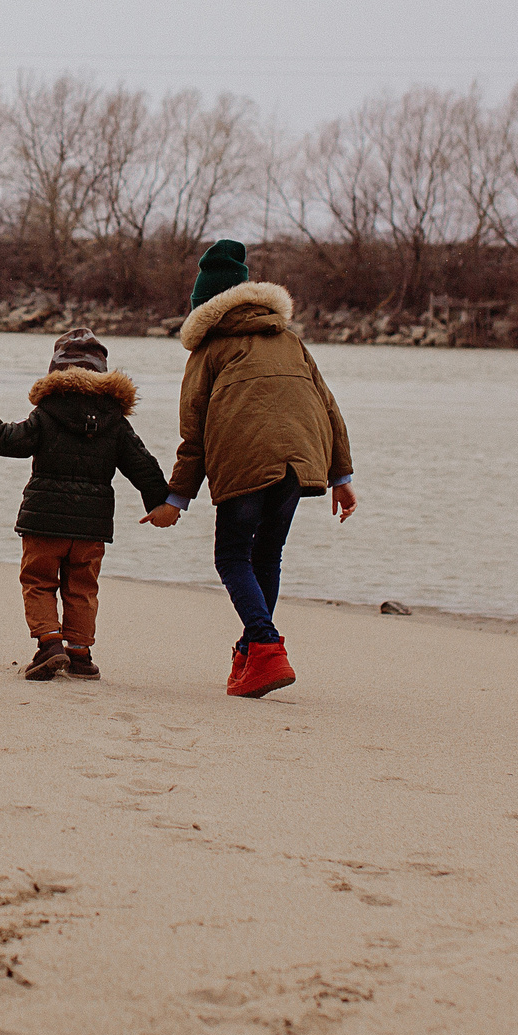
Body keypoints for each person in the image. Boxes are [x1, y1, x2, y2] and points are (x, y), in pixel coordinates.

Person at [144, 239, 356, 699]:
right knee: (268, 555)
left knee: (232, 556)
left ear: (204, 308)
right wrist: (342, 478)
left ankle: (263, 645)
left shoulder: (208, 354)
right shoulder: (291, 341)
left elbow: (194, 434)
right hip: (302, 465)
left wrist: (174, 500)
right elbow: (329, 408)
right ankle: (250, 653)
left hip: (245, 465)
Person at [0, 328, 170, 681]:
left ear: (56, 371)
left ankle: (49, 643)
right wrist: (162, 503)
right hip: (92, 527)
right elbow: (143, 465)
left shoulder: (47, 414)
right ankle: (81, 655)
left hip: (44, 522)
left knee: (39, 581)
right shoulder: (116, 422)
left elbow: (5, 440)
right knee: (83, 587)